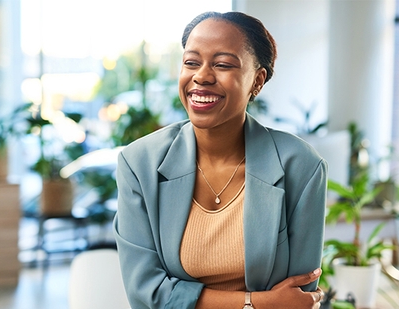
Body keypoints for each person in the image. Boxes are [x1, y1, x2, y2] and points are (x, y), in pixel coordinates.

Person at [113, 11, 328, 309]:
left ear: (257, 80)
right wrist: (257, 303)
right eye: (191, 62)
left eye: (223, 64)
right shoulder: (139, 163)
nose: (201, 76)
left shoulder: (301, 166)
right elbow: (146, 292)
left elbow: (297, 298)